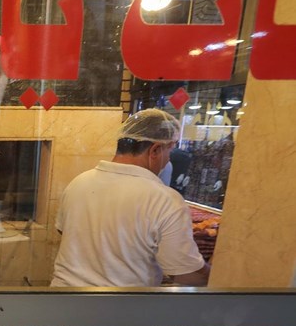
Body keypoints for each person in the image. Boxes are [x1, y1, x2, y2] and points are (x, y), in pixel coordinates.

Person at [51, 109, 210, 287]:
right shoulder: (165, 200)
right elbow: (186, 274)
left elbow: (64, 232)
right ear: (155, 150)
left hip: (64, 299)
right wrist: (216, 276)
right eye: (169, 151)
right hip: (121, 308)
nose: (168, 161)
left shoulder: (79, 182)